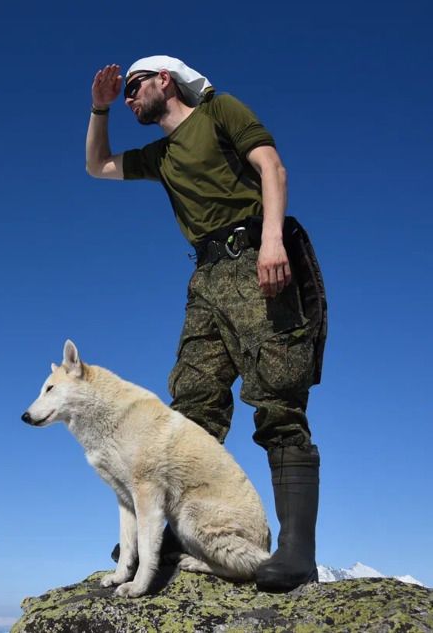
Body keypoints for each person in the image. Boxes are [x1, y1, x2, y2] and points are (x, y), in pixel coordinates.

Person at [85, 56, 328, 593]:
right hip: (206, 276)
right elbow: (96, 165)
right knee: (193, 402)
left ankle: (296, 554)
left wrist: (271, 241)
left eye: (134, 86)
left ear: (165, 80)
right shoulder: (161, 154)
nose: (129, 98)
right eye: (122, 93)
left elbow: (272, 167)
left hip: (256, 255)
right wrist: (98, 107)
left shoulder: (219, 111)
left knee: (278, 399)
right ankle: (173, 532)